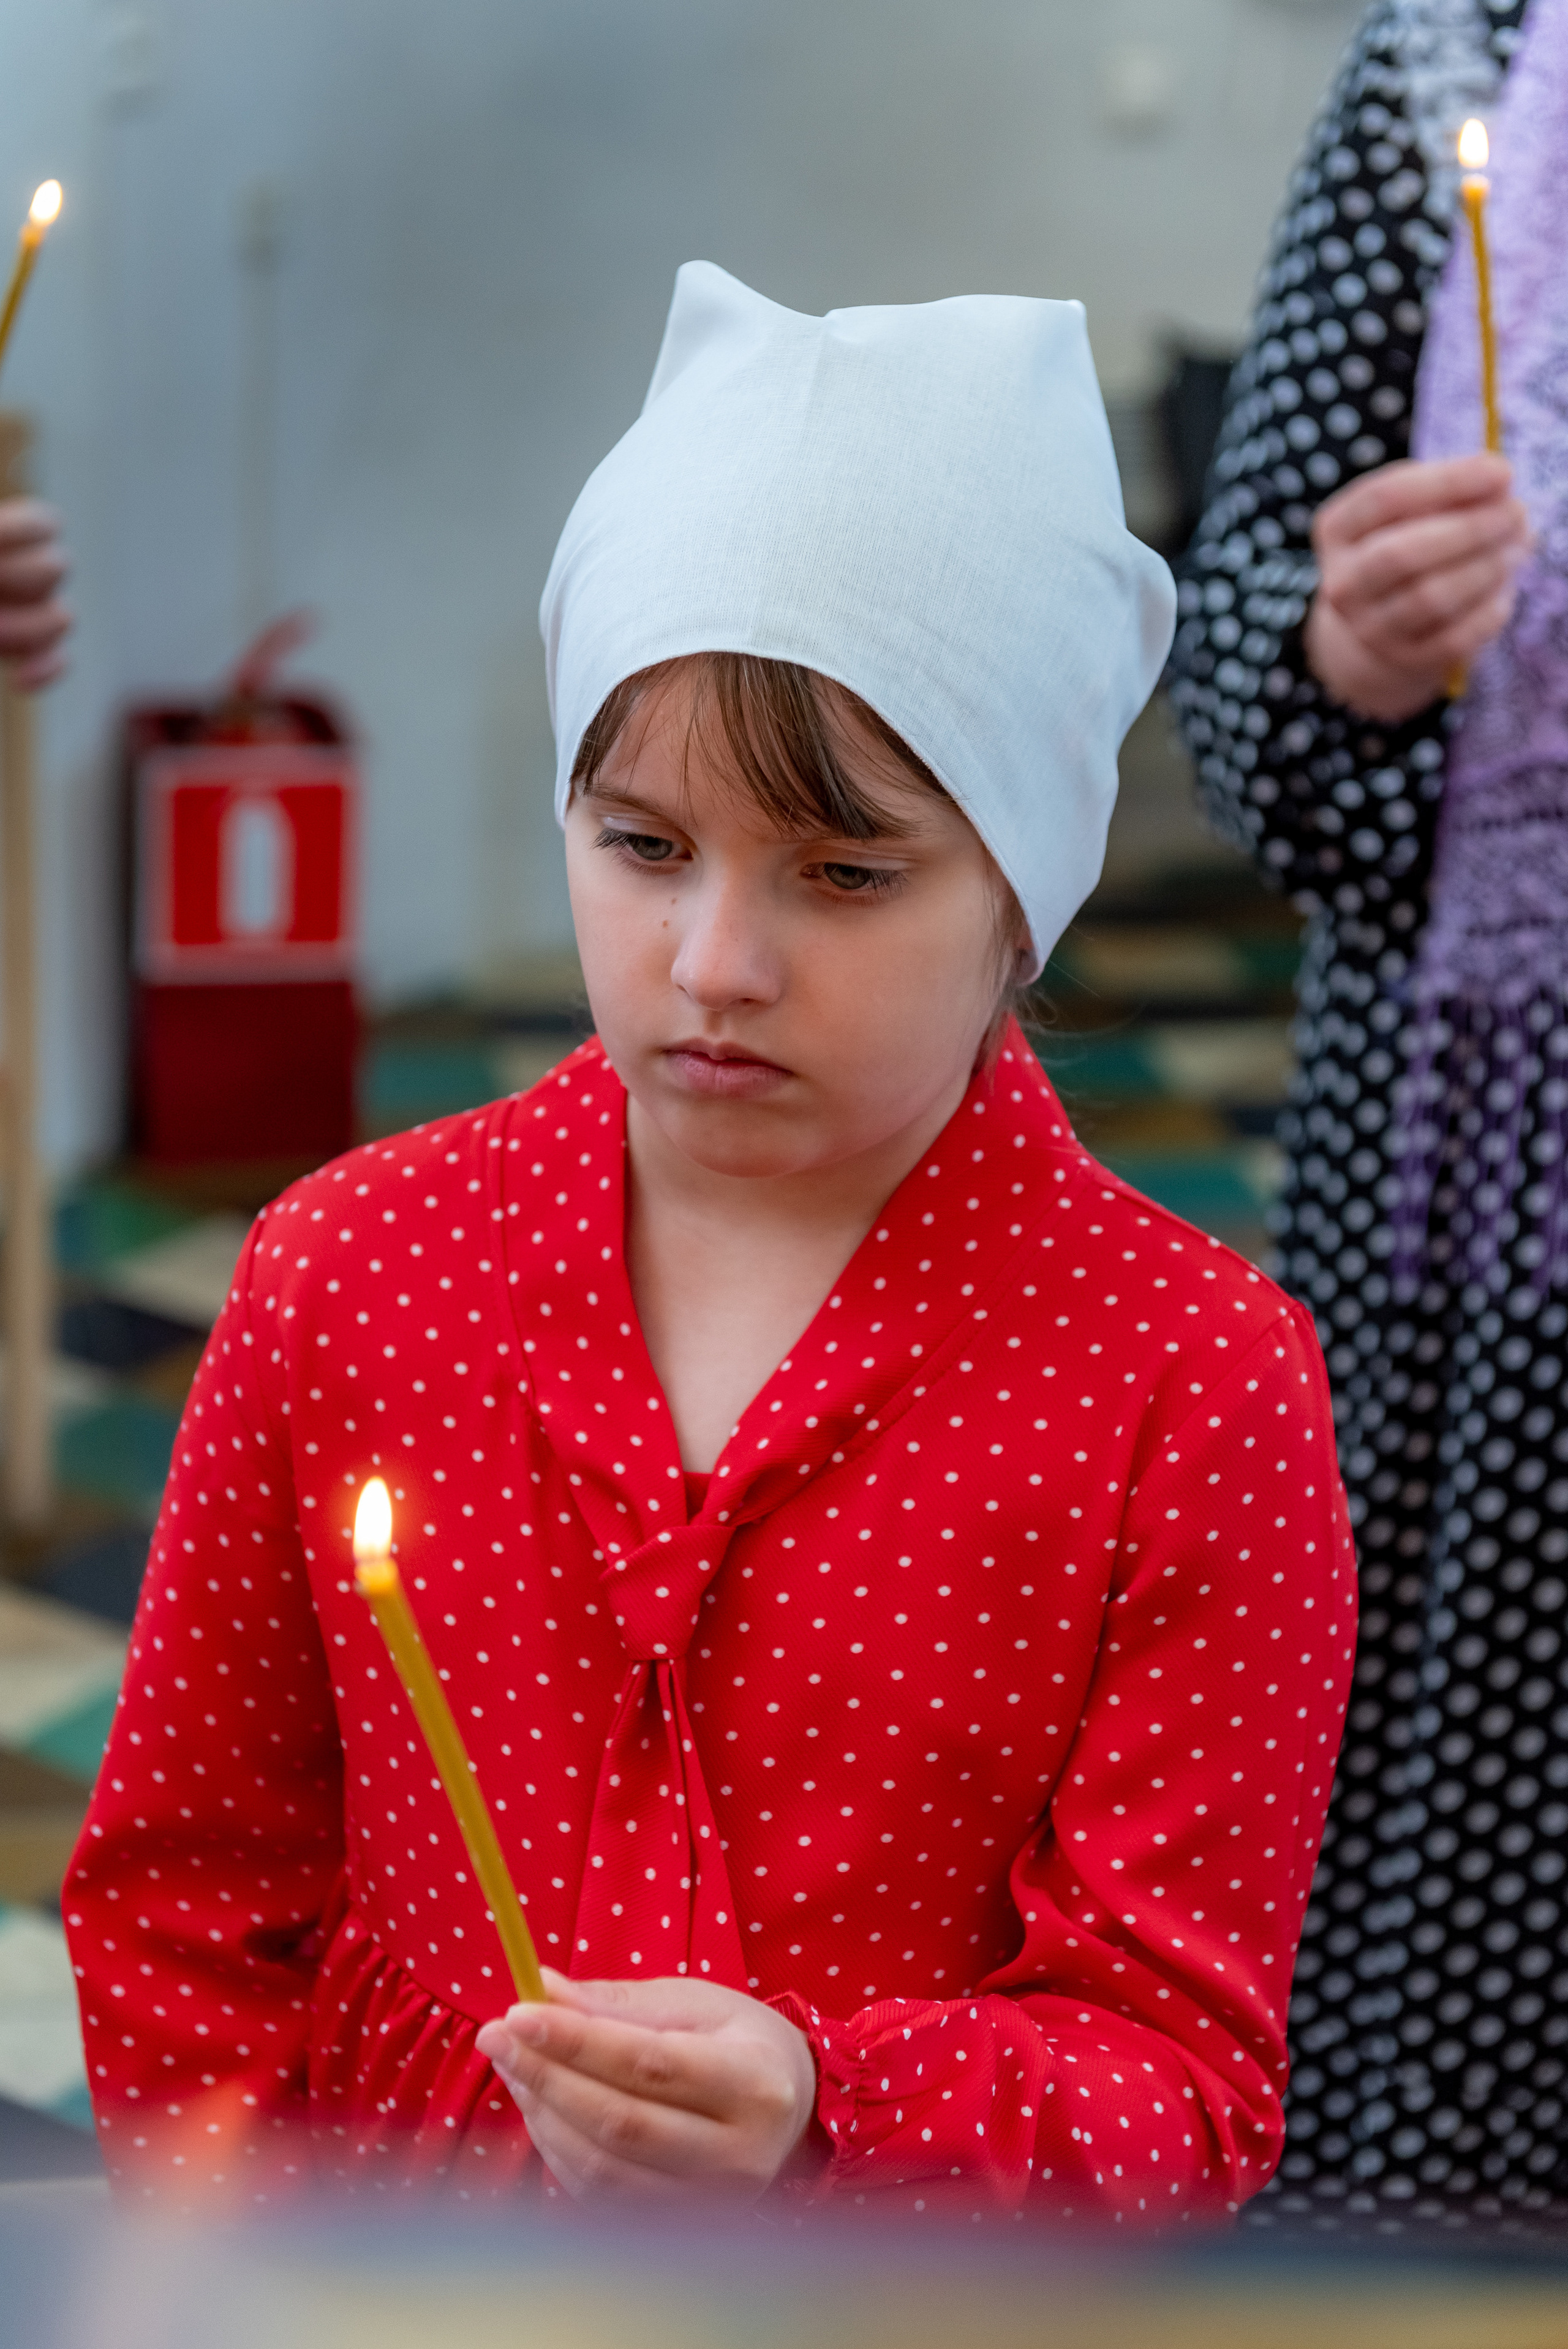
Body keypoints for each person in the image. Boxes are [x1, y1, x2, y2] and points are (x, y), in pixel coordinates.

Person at [67, 263, 1353, 2221]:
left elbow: (1180, 2081)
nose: (715, 965)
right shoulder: (351, 1269)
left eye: (844, 874)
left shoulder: (1191, 1387)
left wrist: (835, 2107)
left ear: (1029, 884)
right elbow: (185, 1895)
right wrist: (259, 2266)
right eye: (643, 845)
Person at [1169, 0, 1568, 2217]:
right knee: (1444, 1872)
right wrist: (1349, 648)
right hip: (1483, 1203)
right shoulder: (1452, 70)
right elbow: (1237, 664)